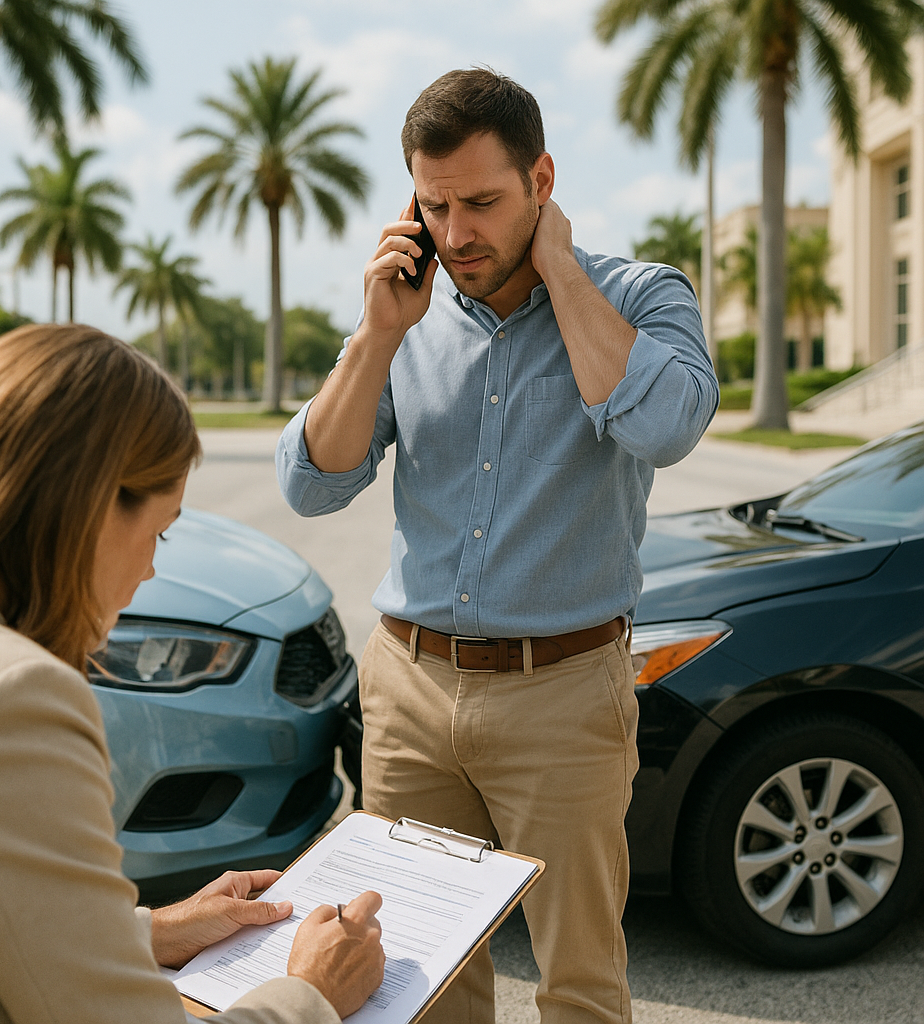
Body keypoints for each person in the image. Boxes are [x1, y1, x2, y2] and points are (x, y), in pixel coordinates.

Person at [276, 69, 719, 1024]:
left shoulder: (639, 297)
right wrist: (375, 335)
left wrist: (562, 274)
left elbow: (668, 427)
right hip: (410, 689)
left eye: (481, 202)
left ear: (542, 180)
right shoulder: (405, 314)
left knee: (581, 984)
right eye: (434, 206)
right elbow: (311, 484)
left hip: (565, 695)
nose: (456, 232)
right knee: (420, 984)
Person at [0, 324, 385, 1024]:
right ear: (89, 505)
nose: (152, 569)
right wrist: (313, 993)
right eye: (160, 532)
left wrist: (148, 931)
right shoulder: (5, 699)